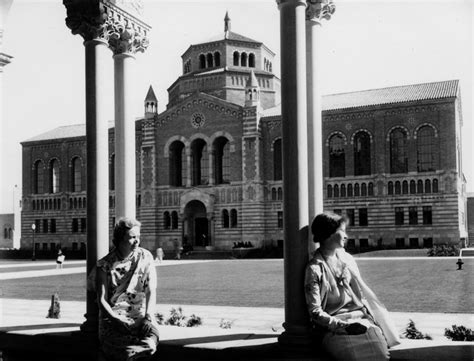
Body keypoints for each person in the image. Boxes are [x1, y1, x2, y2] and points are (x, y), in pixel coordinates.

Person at [305, 212, 390, 361]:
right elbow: (315, 312)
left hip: (361, 320)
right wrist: (343, 326)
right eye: (342, 231)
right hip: (334, 329)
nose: (346, 236)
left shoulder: (346, 261)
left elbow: (360, 296)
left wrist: (371, 318)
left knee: (381, 355)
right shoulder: (314, 269)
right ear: (329, 234)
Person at [96, 217, 159, 361]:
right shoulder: (104, 265)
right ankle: (130, 352)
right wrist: (115, 318)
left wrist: (148, 316)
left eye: (138, 236)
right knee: (122, 344)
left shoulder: (146, 256)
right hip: (114, 317)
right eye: (132, 237)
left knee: (151, 336)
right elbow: (101, 300)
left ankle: (131, 352)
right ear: (119, 240)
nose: (137, 241)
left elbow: (151, 290)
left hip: (140, 316)